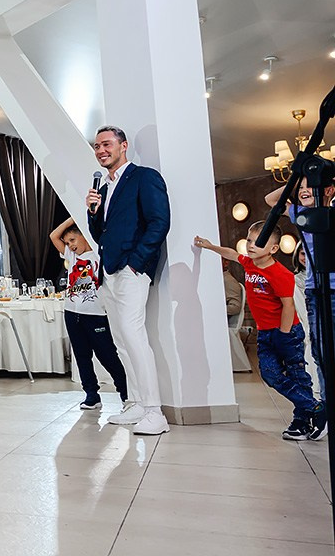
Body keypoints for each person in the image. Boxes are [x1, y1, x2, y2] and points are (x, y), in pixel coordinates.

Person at [196, 226, 326, 440]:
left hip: (287, 332)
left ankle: (301, 422)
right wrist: (210, 247)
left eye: (259, 242)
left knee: (297, 376)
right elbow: (232, 253)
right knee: (269, 373)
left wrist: (284, 335)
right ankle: (315, 407)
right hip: (265, 333)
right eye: (249, 240)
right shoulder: (249, 263)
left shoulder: (280, 274)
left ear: (273, 248)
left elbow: (288, 306)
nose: (251, 246)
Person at [86, 125, 171, 436]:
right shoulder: (105, 188)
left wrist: (136, 263)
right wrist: (92, 212)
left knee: (134, 337)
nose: (101, 151)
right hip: (108, 272)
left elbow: (159, 222)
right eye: (97, 146)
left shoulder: (144, 177)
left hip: (130, 270)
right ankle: (134, 402)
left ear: (123, 146)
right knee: (121, 341)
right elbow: (100, 234)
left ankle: (154, 411)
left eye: (106, 144)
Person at [266, 171, 335, 407]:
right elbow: (271, 200)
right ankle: (327, 404)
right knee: (321, 353)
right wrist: (296, 179)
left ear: (328, 190)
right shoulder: (301, 213)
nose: (304, 191)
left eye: (310, 186)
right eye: (301, 187)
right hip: (315, 291)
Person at [49, 217, 128, 411]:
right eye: (67, 243)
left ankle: (126, 394)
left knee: (107, 355)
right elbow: (53, 236)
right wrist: (71, 219)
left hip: (95, 315)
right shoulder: (71, 256)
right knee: (82, 356)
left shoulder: (99, 255)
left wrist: (80, 220)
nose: (70, 245)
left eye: (73, 240)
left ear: (84, 236)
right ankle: (91, 395)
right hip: (71, 313)